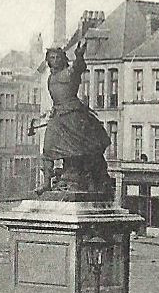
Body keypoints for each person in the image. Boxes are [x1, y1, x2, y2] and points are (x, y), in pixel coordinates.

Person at [40, 35, 114, 195]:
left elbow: (78, 68)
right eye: (51, 58)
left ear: (63, 58)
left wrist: (79, 55)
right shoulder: (50, 77)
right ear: (48, 61)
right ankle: (46, 182)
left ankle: (80, 179)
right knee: (47, 148)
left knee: (78, 151)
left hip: (73, 116)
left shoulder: (69, 73)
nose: (55, 60)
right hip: (58, 116)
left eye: (58, 57)